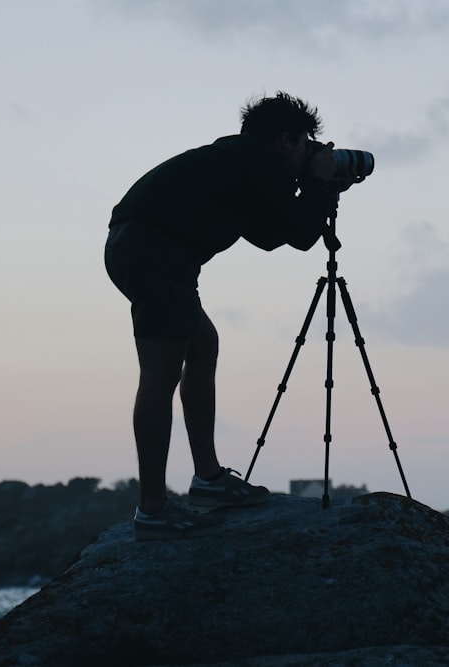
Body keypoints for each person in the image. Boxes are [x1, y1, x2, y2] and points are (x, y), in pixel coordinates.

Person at [104, 92, 348, 541]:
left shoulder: (240, 161)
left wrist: (315, 187)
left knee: (202, 343)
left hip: (142, 249)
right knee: (160, 376)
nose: (309, 151)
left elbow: (271, 234)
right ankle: (154, 511)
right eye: (306, 143)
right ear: (285, 141)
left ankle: (209, 479)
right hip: (153, 253)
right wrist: (317, 184)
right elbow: (295, 237)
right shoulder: (261, 164)